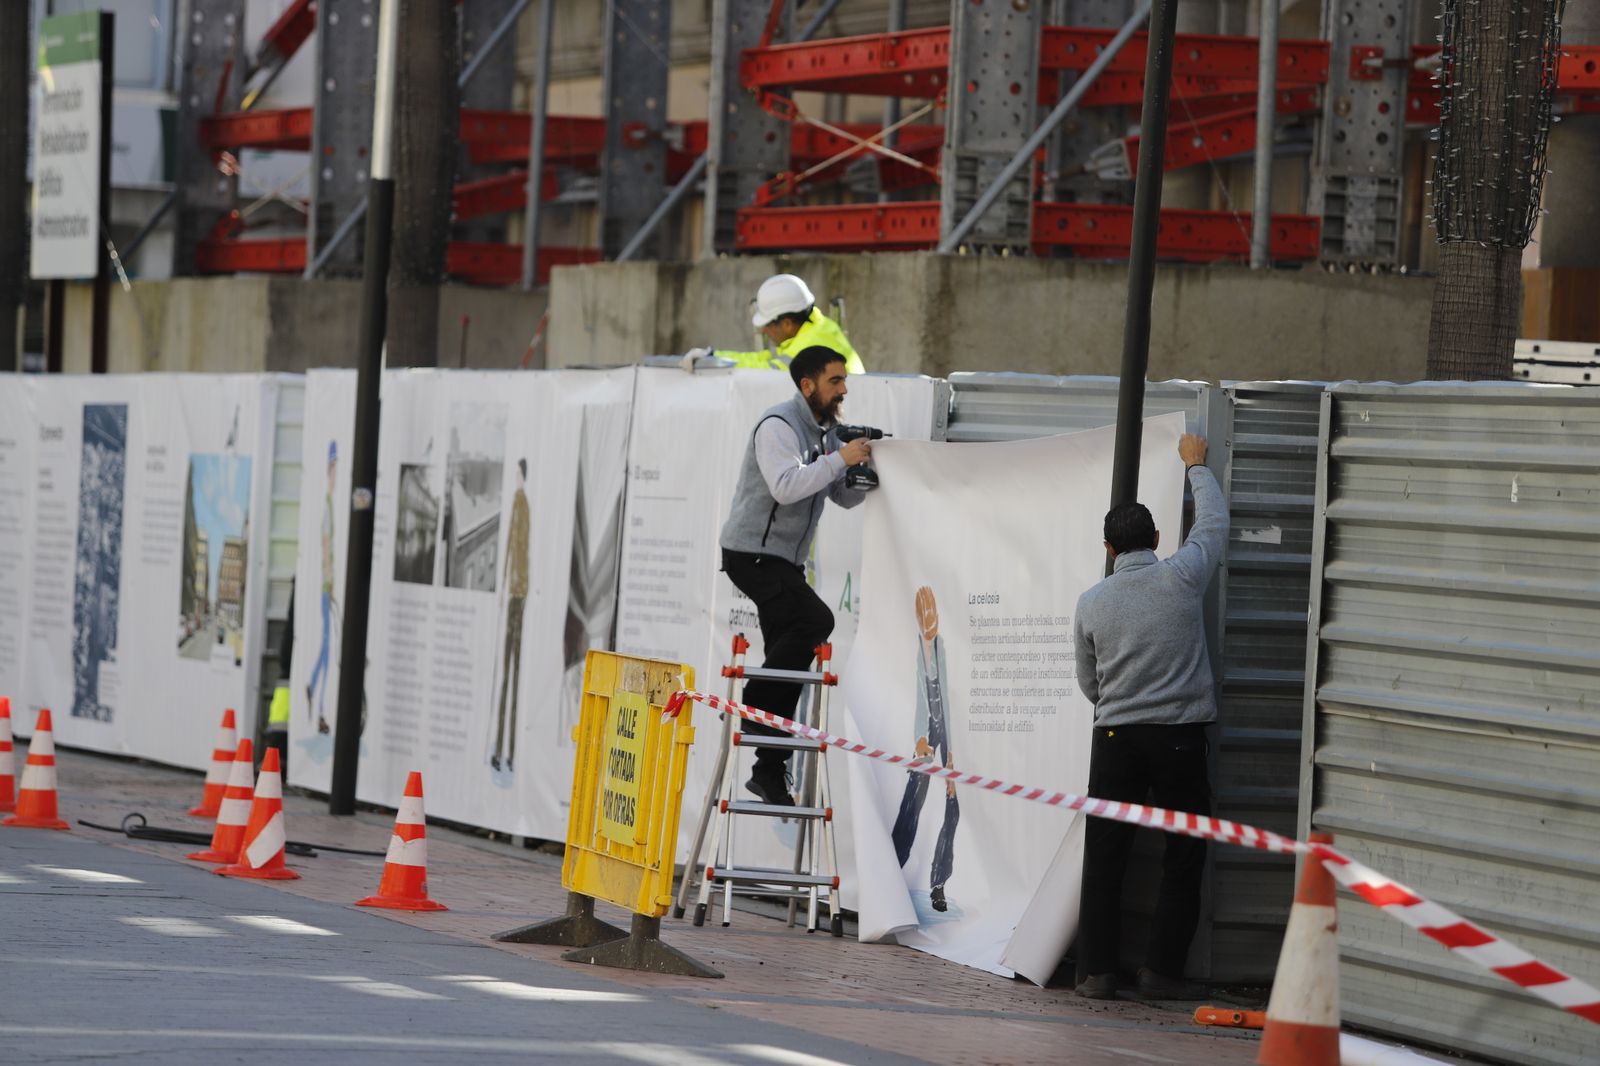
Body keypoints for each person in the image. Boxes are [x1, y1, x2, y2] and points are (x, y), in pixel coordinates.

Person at [1072, 433, 1226, 1002]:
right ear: (1159, 540)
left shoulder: (1091, 602)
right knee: (1183, 854)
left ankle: (1096, 973)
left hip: (1114, 738)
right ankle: (1161, 971)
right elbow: (1212, 525)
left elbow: (1089, 683)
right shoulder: (1182, 574)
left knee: (1106, 855)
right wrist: (1196, 467)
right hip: (1181, 740)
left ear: (1109, 548)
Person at [718, 346, 872, 805]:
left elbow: (841, 498)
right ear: (808, 386)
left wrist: (868, 470)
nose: (843, 389)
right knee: (815, 623)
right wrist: (840, 458)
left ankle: (768, 769)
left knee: (791, 660)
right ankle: (753, 702)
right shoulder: (778, 427)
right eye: (835, 381)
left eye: (844, 380)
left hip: (783, 561)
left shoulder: (826, 435)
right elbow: (786, 487)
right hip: (752, 554)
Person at [892, 586, 960, 912]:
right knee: (912, 801)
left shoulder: (944, 647)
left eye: (934, 613)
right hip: (926, 729)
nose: (931, 621)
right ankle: (893, 868)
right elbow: (920, 697)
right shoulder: (917, 648)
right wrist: (920, 738)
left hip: (945, 728)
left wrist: (950, 751)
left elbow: (948, 695)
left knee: (951, 808)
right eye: (926, 615)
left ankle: (939, 884)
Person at [682, 274, 866, 375]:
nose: (762, 330)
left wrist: (715, 364)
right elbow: (763, 360)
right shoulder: (819, 327)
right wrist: (715, 356)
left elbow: (765, 371)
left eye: (768, 324)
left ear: (786, 323)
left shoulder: (809, 350)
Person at [492, 459, 531, 772]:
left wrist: (509, 585)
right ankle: (504, 750)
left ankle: (507, 750)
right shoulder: (521, 504)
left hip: (519, 594)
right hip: (518, 592)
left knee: (510, 672)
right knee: (509, 672)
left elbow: (516, 548)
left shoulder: (522, 505)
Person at [306, 441, 337, 735]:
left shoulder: (329, 504)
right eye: (335, 469)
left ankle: (312, 687)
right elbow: (326, 547)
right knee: (327, 651)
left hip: (328, 586)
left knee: (327, 650)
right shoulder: (328, 506)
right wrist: (329, 585)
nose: (337, 476)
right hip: (326, 587)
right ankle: (322, 710)